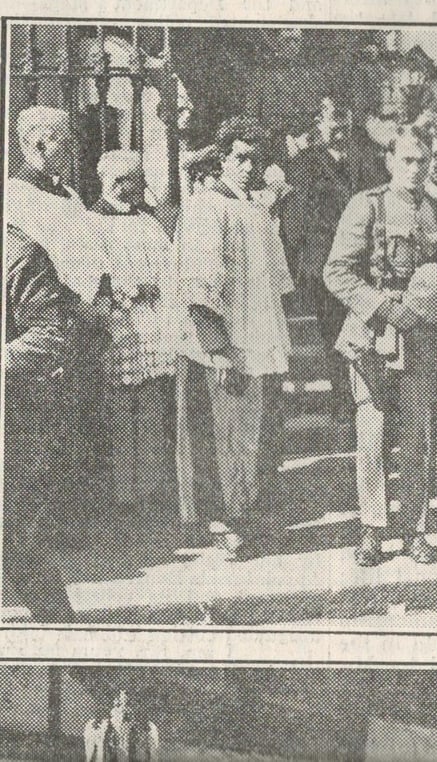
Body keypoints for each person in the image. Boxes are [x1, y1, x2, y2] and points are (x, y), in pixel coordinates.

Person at [324, 126, 437, 568]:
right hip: (374, 334)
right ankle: (372, 528)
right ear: (389, 161)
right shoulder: (366, 206)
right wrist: (386, 308)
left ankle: (416, 529)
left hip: (424, 338)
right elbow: (338, 273)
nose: (415, 169)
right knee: (373, 432)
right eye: (406, 160)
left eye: (423, 161)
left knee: (420, 435)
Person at [173, 115, 294, 559]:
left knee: (250, 434)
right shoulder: (208, 206)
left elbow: (275, 281)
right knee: (221, 434)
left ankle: (248, 513)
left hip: (257, 336)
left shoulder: (256, 209)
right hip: (223, 344)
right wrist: (217, 348)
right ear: (223, 159)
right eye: (241, 158)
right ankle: (224, 521)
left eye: (257, 160)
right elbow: (198, 283)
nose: (249, 167)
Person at [6, 105, 113, 519]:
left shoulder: (67, 194)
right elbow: (31, 269)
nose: (72, 147)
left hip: (89, 327)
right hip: (55, 325)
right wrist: (78, 307)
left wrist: (102, 298)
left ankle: (79, 517)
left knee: (84, 423)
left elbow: (93, 252)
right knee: (52, 431)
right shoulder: (16, 197)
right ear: (38, 143)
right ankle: (52, 523)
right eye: (65, 140)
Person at [283, 97, 386, 438]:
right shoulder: (306, 165)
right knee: (333, 332)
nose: (340, 135)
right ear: (318, 126)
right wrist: (300, 258)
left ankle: (372, 396)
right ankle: (342, 396)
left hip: (362, 260)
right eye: (333, 128)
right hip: (324, 260)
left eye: (345, 128)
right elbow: (296, 217)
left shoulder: (366, 160)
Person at [90, 150, 177, 517]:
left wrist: (161, 290)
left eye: (140, 177)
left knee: (153, 403)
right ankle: (125, 492)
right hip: (122, 325)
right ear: (114, 183)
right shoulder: (91, 223)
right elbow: (96, 274)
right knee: (124, 407)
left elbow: (169, 262)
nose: (141, 185)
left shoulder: (148, 220)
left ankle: (154, 486)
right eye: (134, 179)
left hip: (156, 323)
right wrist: (134, 291)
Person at [3, 223, 76, 622]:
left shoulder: (20, 254)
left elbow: (52, 333)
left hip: (13, 427)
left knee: (22, 548)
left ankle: (89, 674)